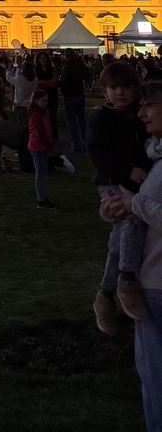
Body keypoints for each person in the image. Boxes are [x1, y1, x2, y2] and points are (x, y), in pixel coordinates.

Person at [101, 80, 162, 432]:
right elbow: (138, 206)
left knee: (156, 382)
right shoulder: (152, 152)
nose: (140, 112)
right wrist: (115, 208)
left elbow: (147, 206)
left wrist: (135, 204)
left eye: (149, 104)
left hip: (157, 284)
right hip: (150, 283)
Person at [86, 60, 149, 335]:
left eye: (126, 87)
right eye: (114, 87)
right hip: (112, 182)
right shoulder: (102, 119)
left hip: (136, 182)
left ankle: (106, 295)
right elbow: (97, 154)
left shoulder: (141, 116)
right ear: (105, 92)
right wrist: (127, 172)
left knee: (118, 240)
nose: (121, 92)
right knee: (130, 224)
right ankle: (126, 281)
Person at [27, 89, 57, 208]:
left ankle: (43, 197)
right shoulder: (35, 115)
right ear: (35, 101)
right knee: (40, 173)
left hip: (42, 146)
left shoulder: (42, 113)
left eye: (46, 101)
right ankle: (41, 200)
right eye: (43, 101)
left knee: (43, 173)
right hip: (37, 146)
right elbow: (40, 134)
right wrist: (50, 144)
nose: (45, 103)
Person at [59, 48, 89, 154]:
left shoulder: (67, 67)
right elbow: (86, 74)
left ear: (66, 56)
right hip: (80, 94)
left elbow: (63, 81)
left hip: (70, 95)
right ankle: (86, 143)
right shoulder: (80, 65)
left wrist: (62, 89)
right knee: (82, 121)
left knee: (72, 123)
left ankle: (77, 146)